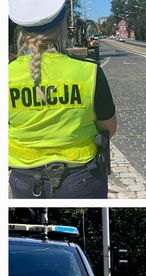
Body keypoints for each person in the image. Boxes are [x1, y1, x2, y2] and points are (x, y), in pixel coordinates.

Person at [8, 0, 117, 199]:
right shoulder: (89, 72)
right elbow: (109, 129)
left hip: (24, 181)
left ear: (19, 29)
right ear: (63, 25)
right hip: (82, 180)